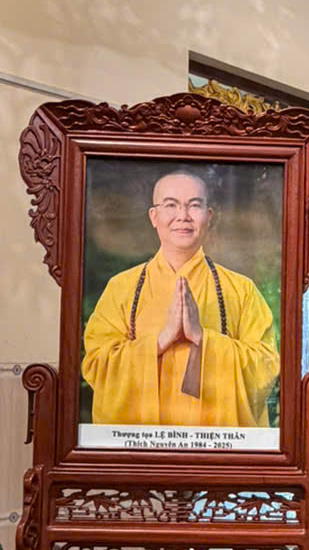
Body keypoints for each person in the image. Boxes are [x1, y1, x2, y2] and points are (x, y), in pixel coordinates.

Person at [82, 169, 280, 427]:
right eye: (171, 205)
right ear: (154, 216)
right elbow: (96, 365)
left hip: (216, 446)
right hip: (141, 444)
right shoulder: (121, 288)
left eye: (194, 205)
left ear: (209, 216)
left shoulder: (242, 290)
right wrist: (161, 341)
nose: (183, 216)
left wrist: (202, 338)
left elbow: (265, 367)